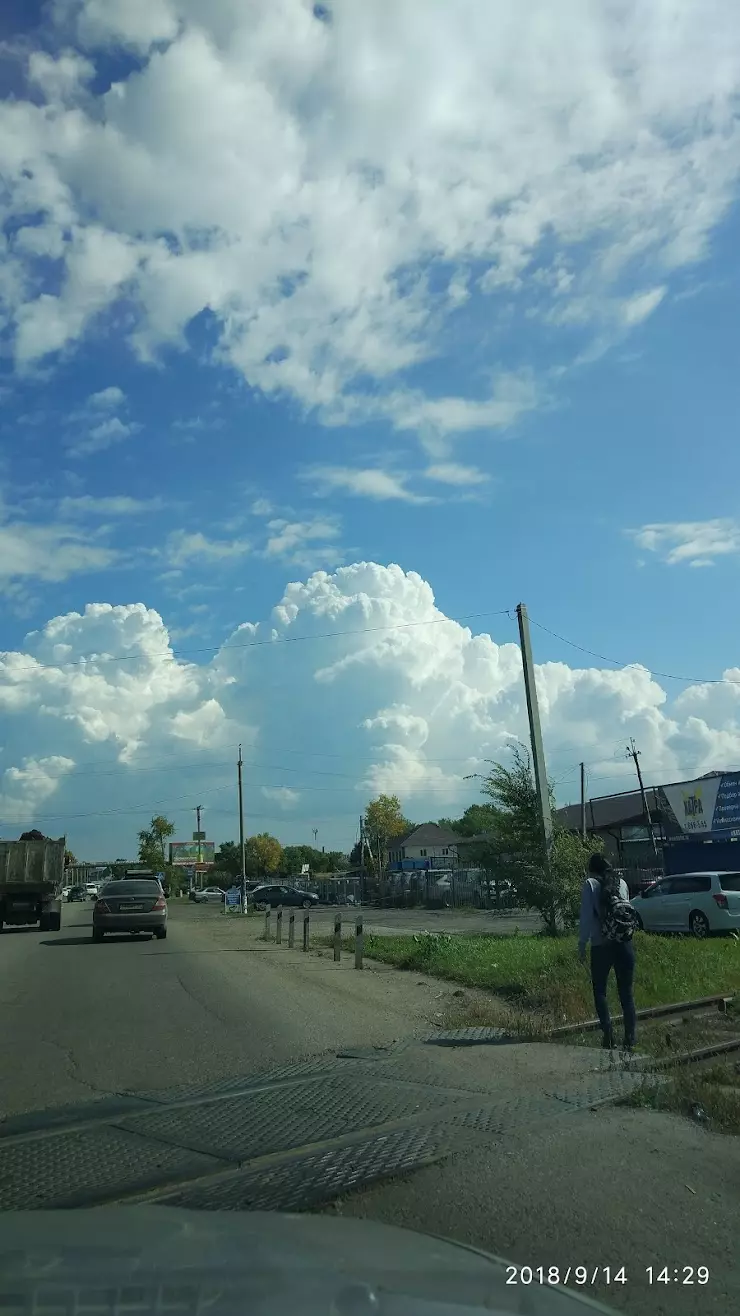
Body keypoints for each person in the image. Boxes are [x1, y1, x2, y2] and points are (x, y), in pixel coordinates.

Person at [578, 853, 637, 1052]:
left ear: (591, 868)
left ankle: (609, 1036)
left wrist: (581, 945)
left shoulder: (590, 884)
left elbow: (586, 918)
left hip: (601, 945)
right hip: (624, 943)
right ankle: (630, 1038)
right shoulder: (621, 883)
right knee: (626, 994)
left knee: (600, 990)